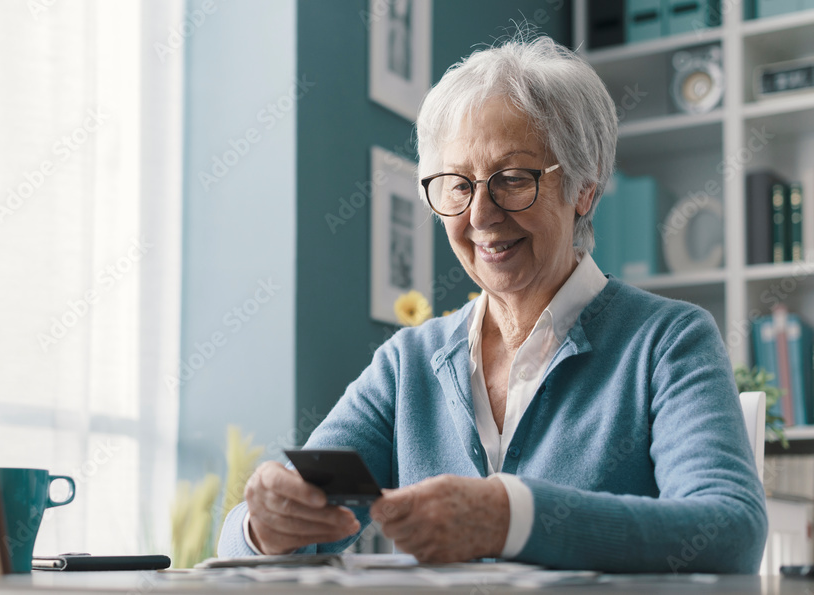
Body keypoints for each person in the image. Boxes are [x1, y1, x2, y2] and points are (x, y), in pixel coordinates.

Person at [217, 34, 767, 573]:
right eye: (458, 185)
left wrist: (511, 517)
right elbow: (267, 534)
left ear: (584, 188)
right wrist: (267, 526)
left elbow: (729, 531)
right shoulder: (407, 364)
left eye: (512, 179)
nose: (480, 215)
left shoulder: (668, 341)